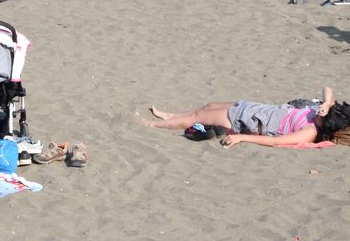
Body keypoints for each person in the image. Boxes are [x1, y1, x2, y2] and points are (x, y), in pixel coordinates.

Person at [143, 86, 350, 149]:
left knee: (197, 117)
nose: (320, 114)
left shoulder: (309, 131)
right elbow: (328, 89)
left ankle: (153, 124)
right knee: (209, 106)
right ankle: (171, 116)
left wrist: (242, 137)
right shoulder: (324, 114)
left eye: (324, 116)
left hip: (246, 120)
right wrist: (326, 104)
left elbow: (275, 141)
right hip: (257, 110)